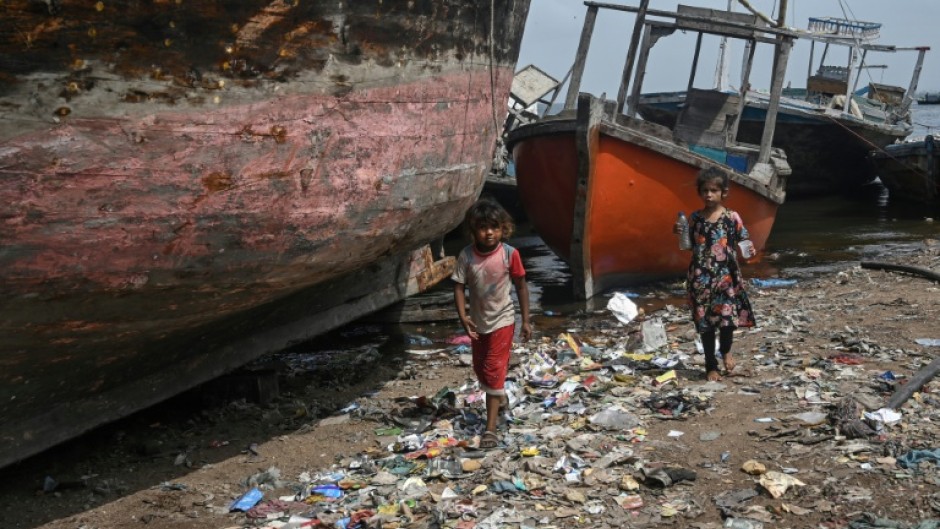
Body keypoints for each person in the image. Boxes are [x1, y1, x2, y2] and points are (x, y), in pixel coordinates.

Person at [452, 198, 532, 449]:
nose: (489, 233)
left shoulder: (510, 254)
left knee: (494, 370)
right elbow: (458, 286)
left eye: (494, 228)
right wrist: (463, 316)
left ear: (503, 229)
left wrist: (526, 320)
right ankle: (501, 396)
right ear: (473, 230)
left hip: (504, 320)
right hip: (478, 322)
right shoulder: (466, 256)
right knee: (481, 369)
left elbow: (521, 286)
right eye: (484, 227)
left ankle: (490, 429)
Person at [675, 168, 756, 382]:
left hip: (726, 278)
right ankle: (711, 365)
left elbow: (744, 239)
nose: (709, 195)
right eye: (704, 191)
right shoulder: (694, 219)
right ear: (699, 193)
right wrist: (679, 232)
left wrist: (749, 252)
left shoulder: (731, 217)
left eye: (713, 190)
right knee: (706, 325)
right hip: (700, 279)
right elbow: (687, 246)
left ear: (724, 193)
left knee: (727, 320)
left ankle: (726, 351)